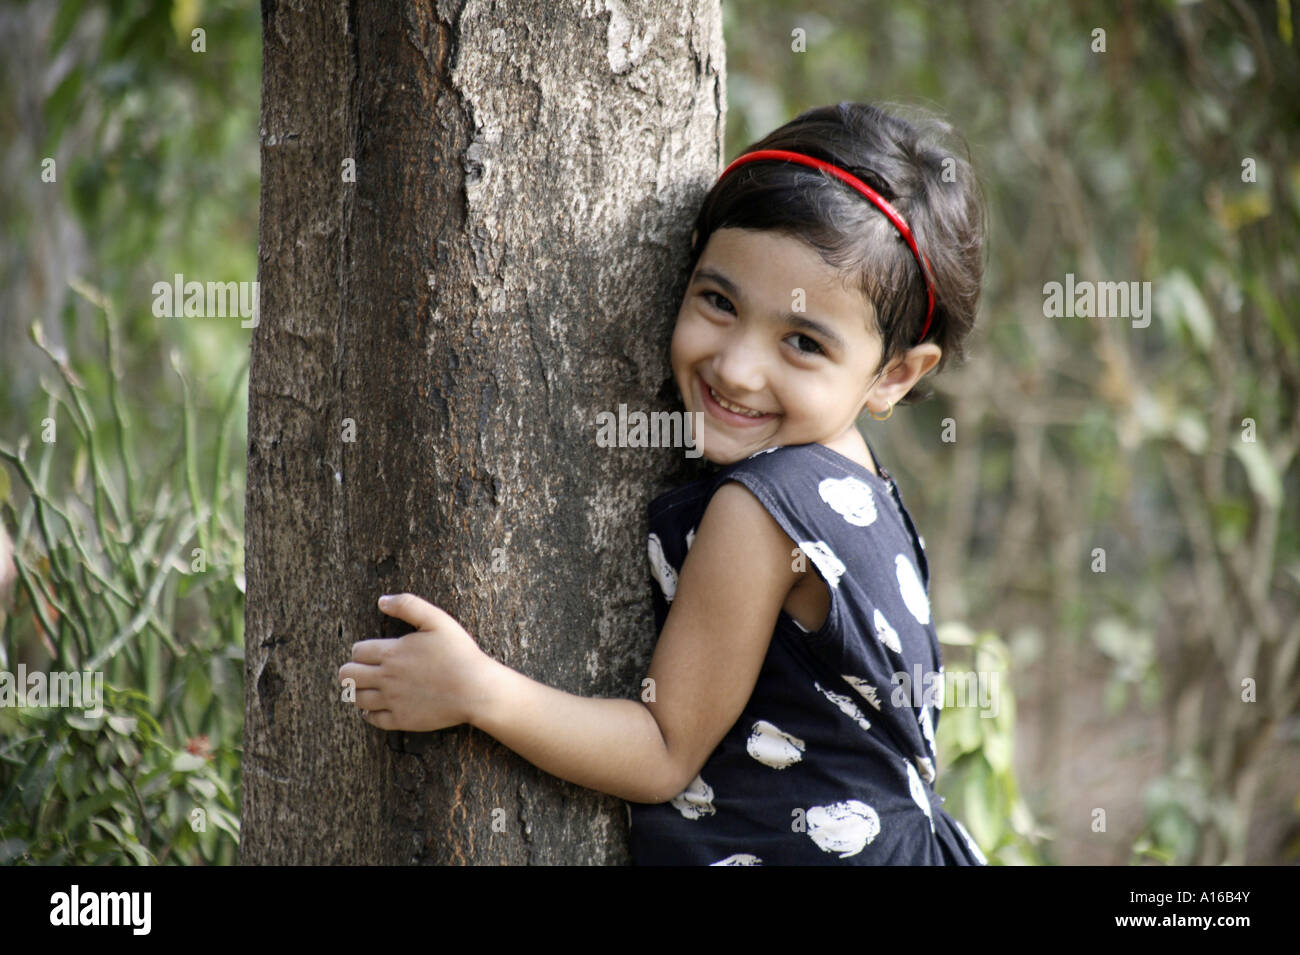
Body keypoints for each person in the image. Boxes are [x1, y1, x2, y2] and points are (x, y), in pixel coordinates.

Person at [339, 101, 989, 865]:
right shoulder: (858, 483)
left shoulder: (762, 508)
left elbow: (662, 748)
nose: (737, 368)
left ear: (896, 375)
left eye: (804, 342)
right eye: (719, 302)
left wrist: (477, 691)